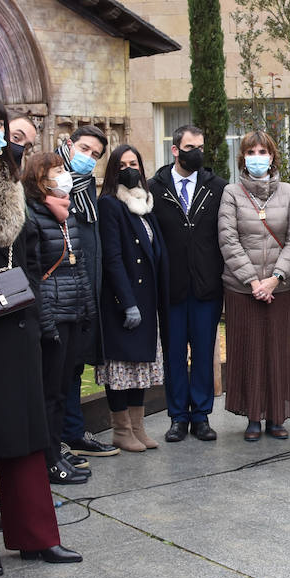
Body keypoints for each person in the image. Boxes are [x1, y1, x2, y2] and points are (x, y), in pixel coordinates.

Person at [0, 94, 82, 569]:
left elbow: (28, 255)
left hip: (17, 320)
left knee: (27, 432)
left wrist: (27, 297)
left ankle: (36, 536)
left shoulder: (12, 182)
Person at [218, 131, 290, 440]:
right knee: (249, 352)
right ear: (243, 158)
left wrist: (275, 278)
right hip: (243, 290)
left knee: (277, 352)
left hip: (279, 289)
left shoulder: (288, 192)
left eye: (263, 151)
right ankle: (253, 416)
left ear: (272, 156)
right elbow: (228, 240)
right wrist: (254, 281)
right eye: (252, 151)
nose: (258, 156)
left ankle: (277, 417)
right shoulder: (231, 192)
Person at [23, 152, 99, 482]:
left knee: (63, 390)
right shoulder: (34, 218)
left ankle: (56, 454)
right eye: (56, 172)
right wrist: (47, 322)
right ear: (40, 181)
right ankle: (48, 459)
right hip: (51, 317)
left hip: (73, 314)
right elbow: (35, 274)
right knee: (49, 394)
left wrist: (87, 312)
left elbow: (79, 267)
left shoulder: (68, 218)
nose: (63, 177)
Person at [149, 125, 227, 442]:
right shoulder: (155, 188)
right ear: (175, 149)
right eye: (190, 146)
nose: (197, 152)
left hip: (207, 287)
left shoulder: (217, 187)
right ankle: (178, 416)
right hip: (172, 288)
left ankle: (202, 416)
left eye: (201, 147)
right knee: (175, 355)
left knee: (204, 352)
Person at [96, 144, 168, 452]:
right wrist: (127, 303)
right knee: (120, 367)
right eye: (123, 164)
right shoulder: (110, 204)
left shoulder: (144, 205)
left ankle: (138, 427)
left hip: (147, 298)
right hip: (123, 301)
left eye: (134, 163)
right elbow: (112, 257)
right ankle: (121, 430)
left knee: (140, 366)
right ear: (114, 169)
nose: (130, 169)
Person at [57, 126, 117, 460]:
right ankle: (62, 439)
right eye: (84, 149)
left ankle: (73, 433)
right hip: (60, 295)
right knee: (60, 371)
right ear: (68, 144)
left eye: (95, 155)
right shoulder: (54, 181)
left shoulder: (87, 191)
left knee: (75, 367)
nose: (89, 158)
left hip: (84, 295)